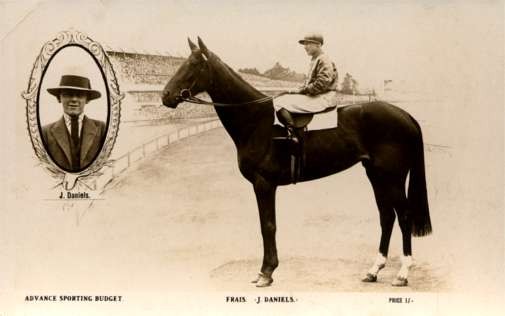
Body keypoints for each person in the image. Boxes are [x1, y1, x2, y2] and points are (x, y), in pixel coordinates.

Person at [275, 33, 338, 140]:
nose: (305, 47)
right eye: (305, 44)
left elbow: (320, 85)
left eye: (308, 44)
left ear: (318, 45)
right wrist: (291, 91)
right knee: (280, 98)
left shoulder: (324, 59)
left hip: (323, 98)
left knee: (278, 103)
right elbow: (309, 85)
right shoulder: (315, 60)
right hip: (316, 95)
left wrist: (300, 91)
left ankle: (293, 134)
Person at [42, 73, 106, 172]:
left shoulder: (102, 128)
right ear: (59, 98)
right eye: (68, 94)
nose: (74, 100)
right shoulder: (45, 132)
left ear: (87, 99)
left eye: (80, 95)